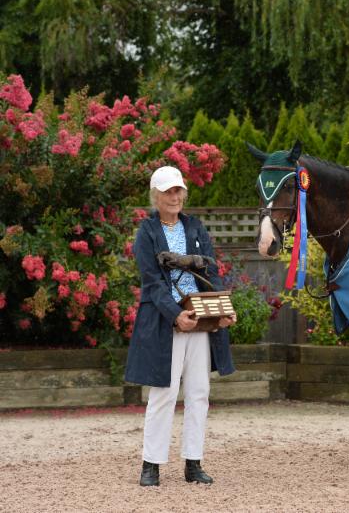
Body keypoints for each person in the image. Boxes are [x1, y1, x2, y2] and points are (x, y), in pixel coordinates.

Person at [124, 165, 237, 487]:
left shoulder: (195, 227)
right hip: (165, 321)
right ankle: (151, 465)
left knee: (199, 392)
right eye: (168, 192)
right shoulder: (147, 232)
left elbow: (211, 272)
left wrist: (221, 309)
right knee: (164, 393)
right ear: (156, 196)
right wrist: (176, 314)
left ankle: (193, 463)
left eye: (178, 191)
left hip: (200, 320)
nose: (174, 197)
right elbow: (152, 282)